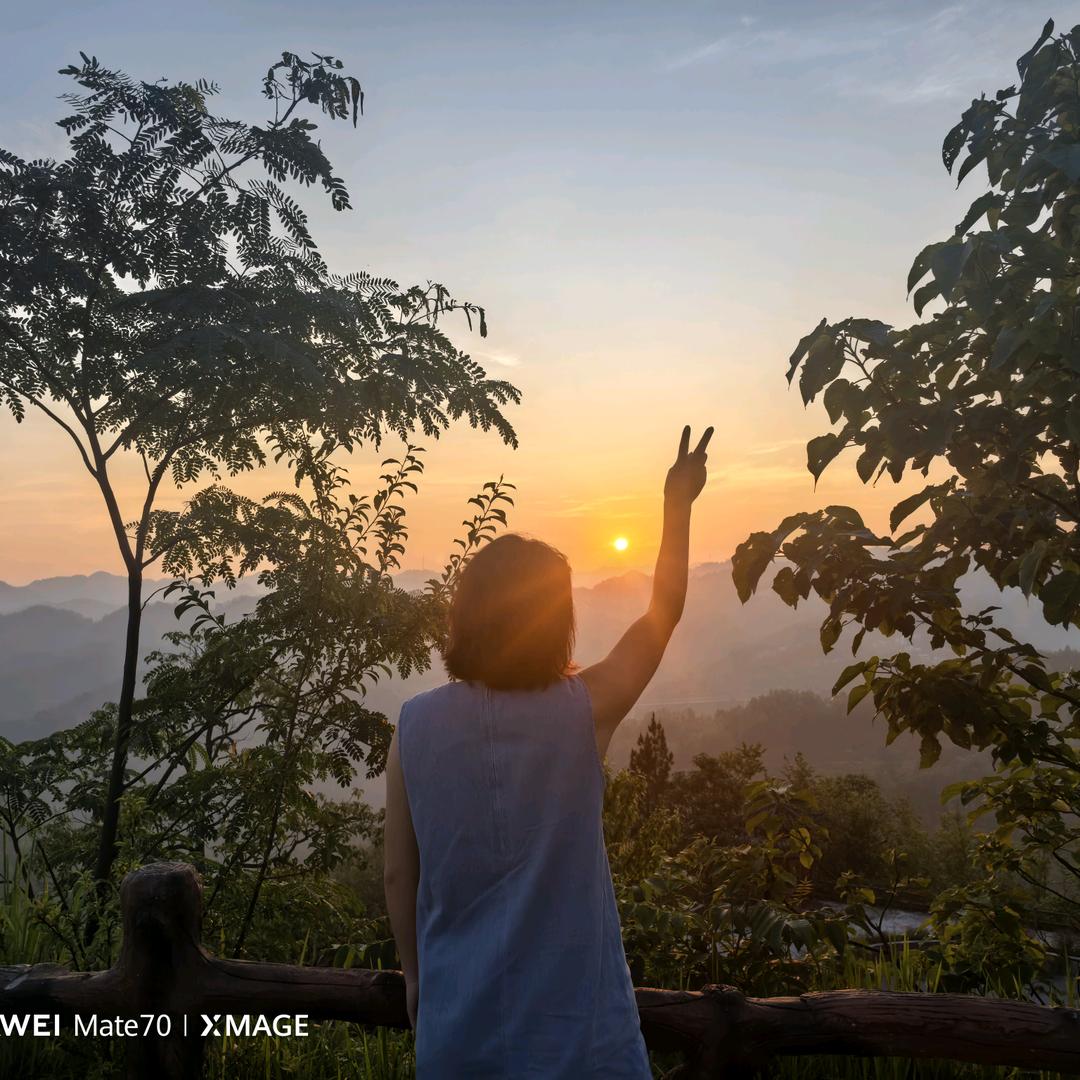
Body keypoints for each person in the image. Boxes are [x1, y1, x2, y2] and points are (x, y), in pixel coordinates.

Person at [383, 425, 713, 1078]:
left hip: (459, 1035)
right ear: (558, 619)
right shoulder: (583, 710)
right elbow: (662, 614)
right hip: (582, 1039)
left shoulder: (414, 726)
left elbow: (400, 877)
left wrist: (418, 986)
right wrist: (678, 505)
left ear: (464, 616)